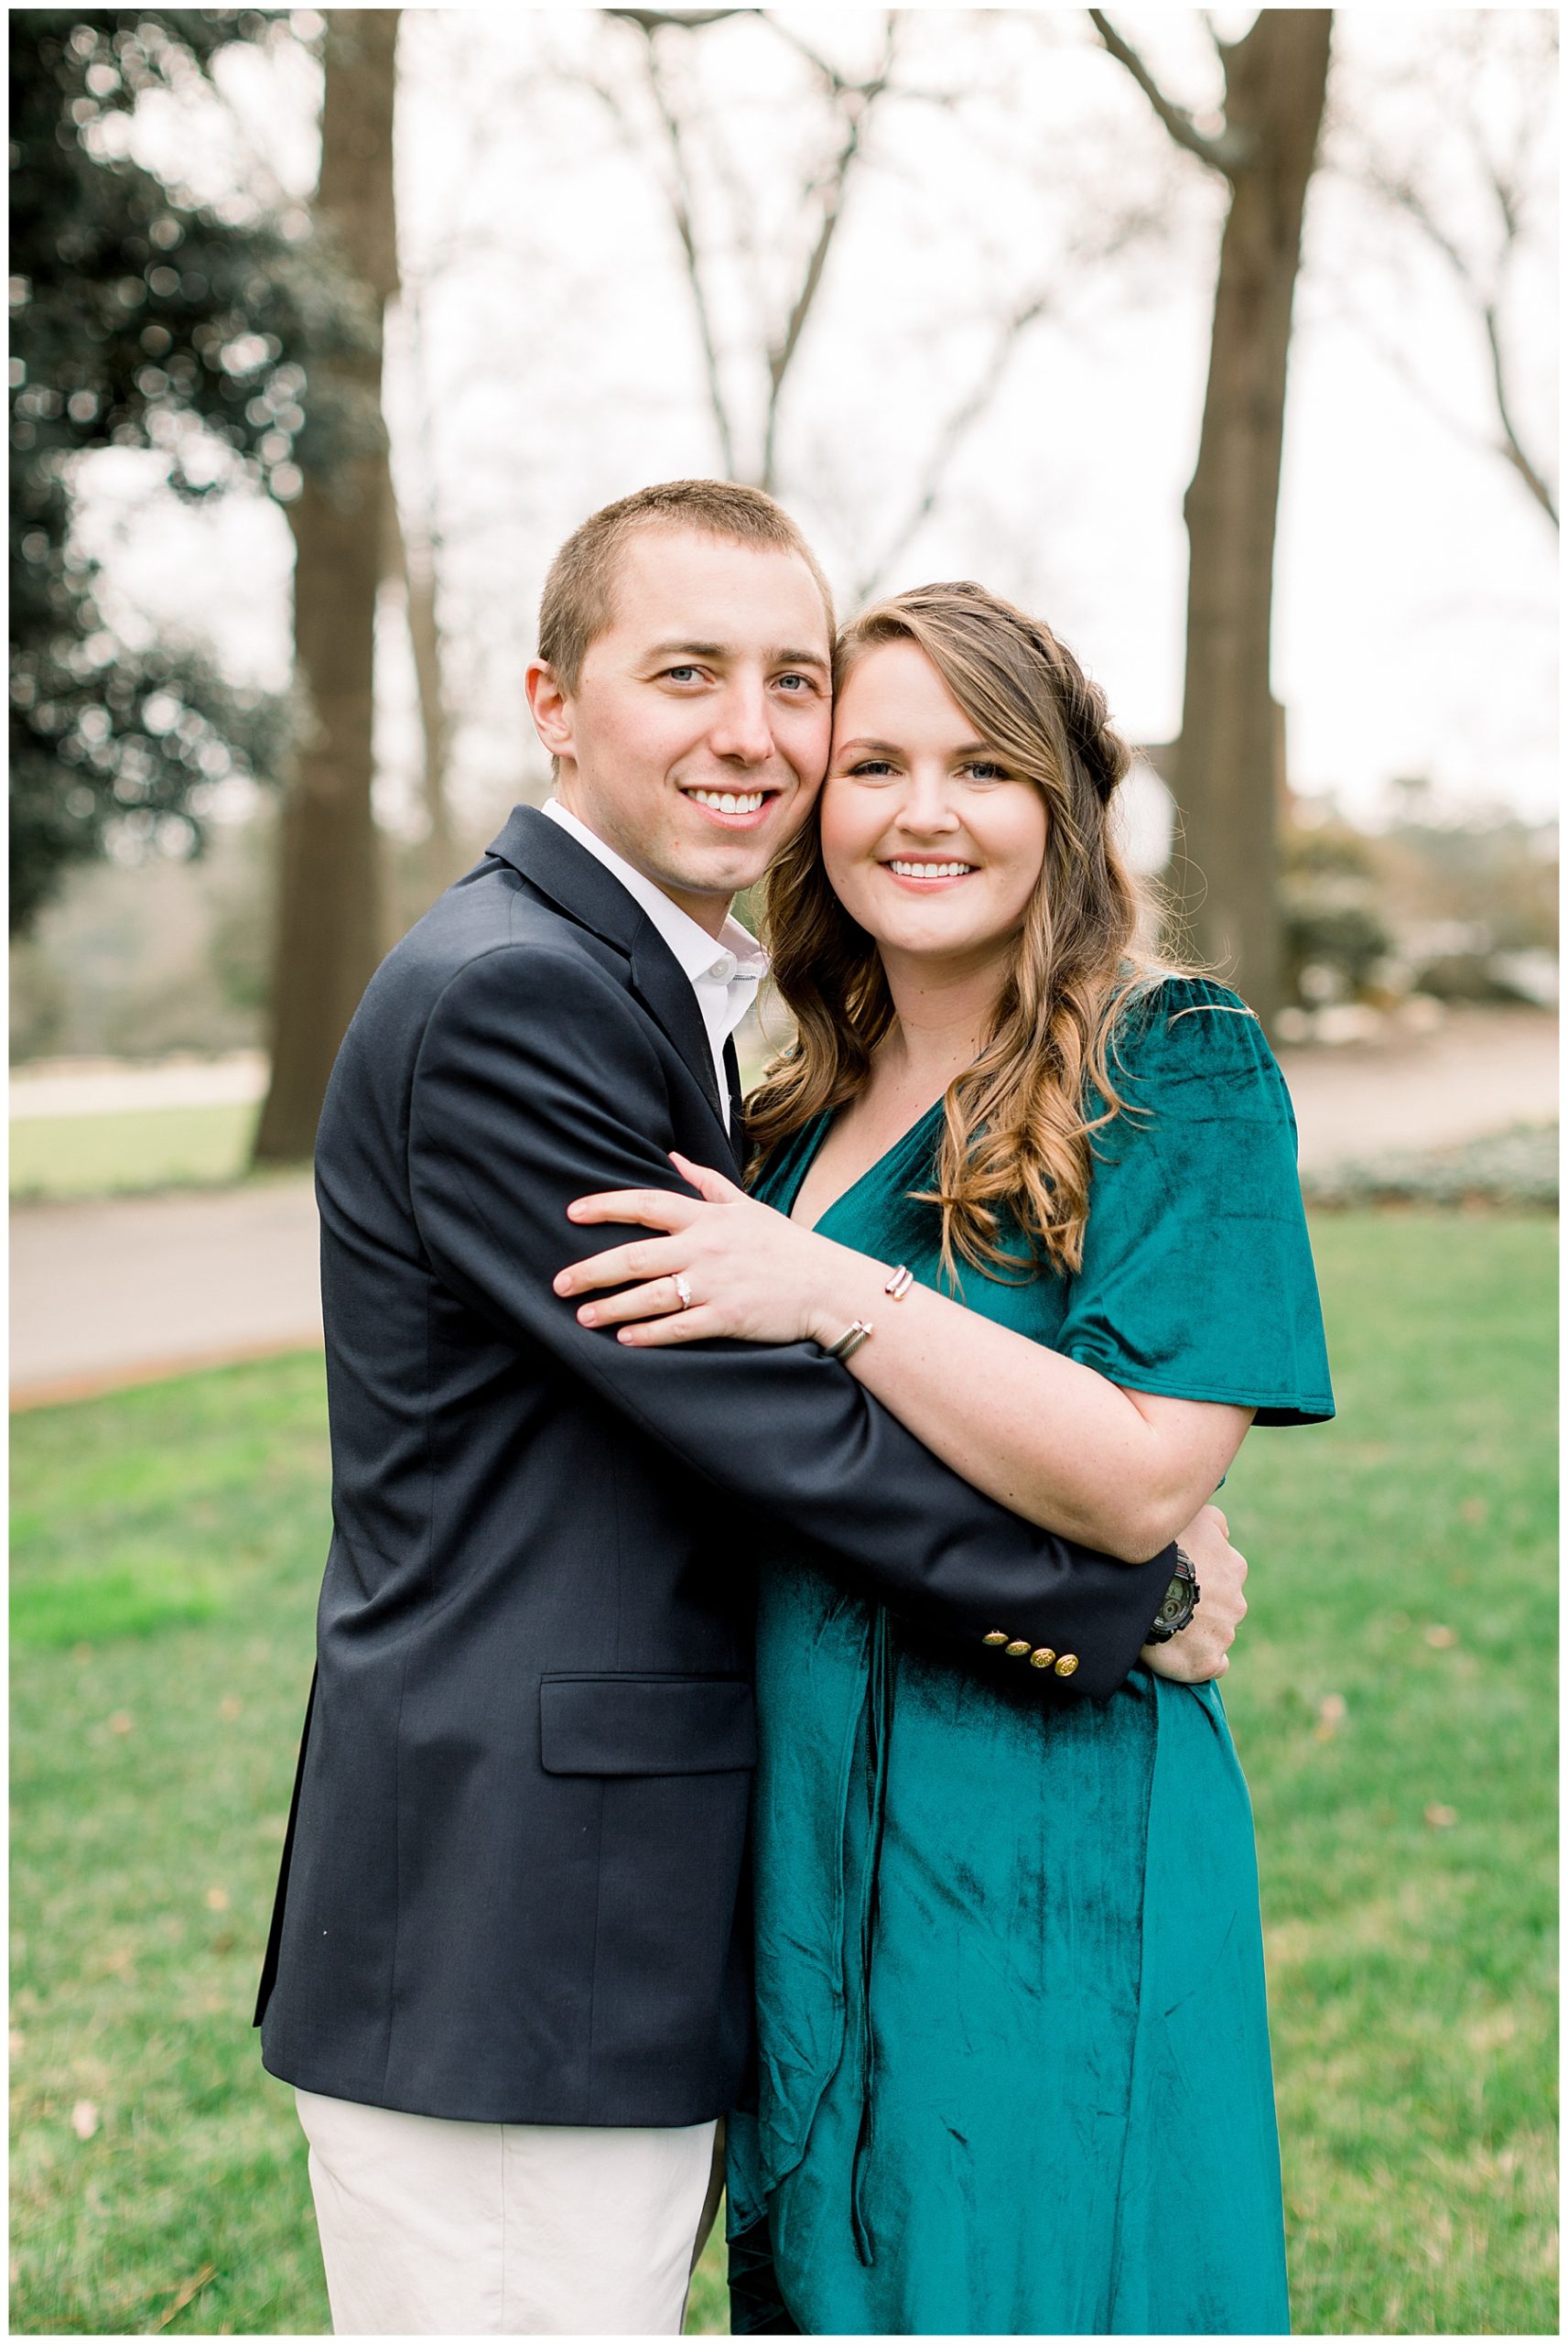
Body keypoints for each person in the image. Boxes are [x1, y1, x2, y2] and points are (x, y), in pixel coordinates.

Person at [253, 487, 1249, 2337]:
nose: (753, 731)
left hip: (636, 1897)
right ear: (554, 700)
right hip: (516, 1918)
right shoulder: (518, 993)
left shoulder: (675, 998)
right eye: (685, 670)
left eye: (791, 678)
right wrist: (1122, 1584)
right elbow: (761, 1418)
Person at [557, 580, 1336, 2334]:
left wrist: (838, 1295)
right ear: (814, 802)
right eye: (876, 764)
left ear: (1063, 809)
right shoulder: (774, 1117)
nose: (921, 812)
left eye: (982, 768)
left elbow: (1142, 1472)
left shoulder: (1175, 1068)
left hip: (1040, 1823)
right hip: (790, 1822)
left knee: (1032, 2270)